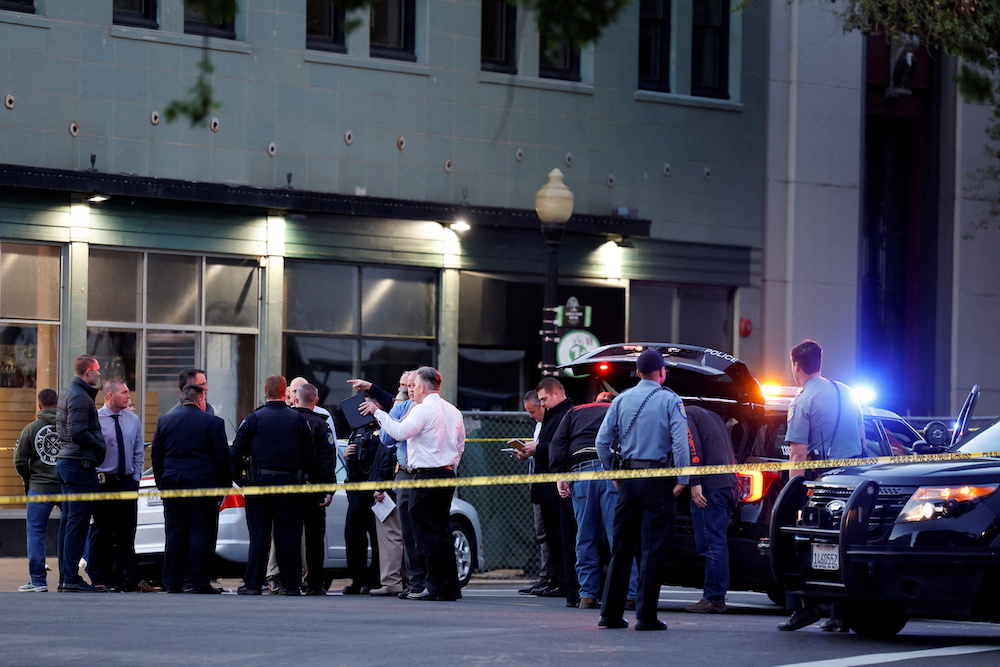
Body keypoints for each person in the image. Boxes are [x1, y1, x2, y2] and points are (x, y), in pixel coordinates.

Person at [595, 348, 690, 630]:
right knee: (652, 549)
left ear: (637, 373)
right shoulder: (670, 400)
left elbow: (602, 442)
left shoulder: (621, 399)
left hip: (628, 479)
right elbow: (680, 443)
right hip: (657, 479)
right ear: (662, 372)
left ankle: (609, 614)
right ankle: (645, 616)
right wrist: (683, 478)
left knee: (622, 548)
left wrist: (613, 474)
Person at [778, 340, 864, 632]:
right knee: (841, 543)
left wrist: (794, 494)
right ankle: (840, 613)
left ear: (796, 365)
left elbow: (798, 453)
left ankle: (804, 608)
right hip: (854, 478)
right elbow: (863, 438)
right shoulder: (847, 392)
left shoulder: (803, 400)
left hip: (823, 479)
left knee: (803, 541)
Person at [361, 366, 465, 601]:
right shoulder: (453, 411)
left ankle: (433, 586)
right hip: (447, 475)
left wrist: (378, 413)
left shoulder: (422, 409)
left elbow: (398, 432)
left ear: (423, 387)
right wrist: (450, 466)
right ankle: (450, 586)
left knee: (424, 534)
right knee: (442, 532)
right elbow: (460, 445)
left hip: (425, 476)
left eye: (413, 386)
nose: (411, 391)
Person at [549, 391, 638, 610]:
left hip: (581, 475)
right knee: (618, 537)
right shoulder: (619, 410)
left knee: (585, 536)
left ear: (595, 401)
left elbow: (557, 445)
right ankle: (630, 593)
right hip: (611, 475)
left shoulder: (574, 411)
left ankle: (587, 595)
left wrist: (561, 476)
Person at [231, 375, 315, 596]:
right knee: (289, 536)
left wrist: (243, 481)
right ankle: (291, 584)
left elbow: (235, 453)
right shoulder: (297, 420)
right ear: (285, 393)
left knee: (259, 536)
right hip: (289, 486)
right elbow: (310, 455)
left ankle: (252, 584)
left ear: (265, 392)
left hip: (259, 485)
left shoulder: (253, 419)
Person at [151, 383, 230, 594]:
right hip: (203, 487)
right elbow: (221, 458)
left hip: (173, 486)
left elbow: (157, 455)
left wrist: (162, 482)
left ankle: (172, 582)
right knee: (202, 534)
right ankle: (200, 582)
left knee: (175, 534)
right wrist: (223, 487)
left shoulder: (165, 421)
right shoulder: (213, 423)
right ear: (200, 399)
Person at [349, 372, 420, 599]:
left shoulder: (405, 411)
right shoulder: (400, 411)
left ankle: (399, 581)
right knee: (393, 535)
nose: (403, 389)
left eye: (408, 385)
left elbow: (388, 454)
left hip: (395, 483)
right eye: (401, 384)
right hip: (380, 484)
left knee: (397, 535)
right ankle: (403, 581)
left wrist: (381, 485)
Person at [87, 379, 149, 592]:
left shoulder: (133, 420)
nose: (128, 396)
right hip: (104, 482)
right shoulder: (95, 419)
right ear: (110, 396)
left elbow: (138, 450)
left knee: (127, 531)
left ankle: (128, 577)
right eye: (124, 393)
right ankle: (100, 577)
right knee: (102, 531)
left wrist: (136, 477)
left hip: (127, 482)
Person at [55, 354, 108, 593]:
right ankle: (71, 578)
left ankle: (66, 576)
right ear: (87, 371)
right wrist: (99, 444)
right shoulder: (79, 396)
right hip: (79, 465)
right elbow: (77, 432)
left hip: (70, 462)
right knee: (76, 524)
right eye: (97, 370)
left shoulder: (70, 392)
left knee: (68, 523)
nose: (99, 373)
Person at [683, 405, 738, 614]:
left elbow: (692, 446)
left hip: (710, 487)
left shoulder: (684, 413)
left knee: (711, 544)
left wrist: (694, 481)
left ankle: (714, 598)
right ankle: (715, 595)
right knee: (719, 542)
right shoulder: (713, 415)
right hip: (728, 484)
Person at [526, 377, 576, 604]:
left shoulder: (567, 414)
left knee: (559, 535)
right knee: (553, 537)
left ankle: (563, 581)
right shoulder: (555, 415)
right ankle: (555, 580)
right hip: (547, 484)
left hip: (555, 485)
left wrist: (538, 448)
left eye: (544, 399)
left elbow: (561, 448)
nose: (542, 404)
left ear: (556, 393)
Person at [13, 388, 62, 592]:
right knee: (70, 530)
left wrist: (30, 477)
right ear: (57, 405)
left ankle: (38, 581)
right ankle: (68, 578)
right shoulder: (67, 428)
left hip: (39, 488)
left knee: (36, 533)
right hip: (65, 487)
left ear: (39, 405)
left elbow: (19, 461)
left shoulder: (30, 429)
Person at [291, 381, 337, 595]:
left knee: (289, 535)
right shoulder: (321, 425)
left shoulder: (287, 421)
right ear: (316, 401)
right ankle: (315, 583)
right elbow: (328, 460)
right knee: (314, 538)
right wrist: (329, 489)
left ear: (295, 398)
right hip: (313, 490)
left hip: (289, 489)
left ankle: (289, 581)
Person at [515, 390, 554, 596]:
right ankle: (545, 576)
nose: (531, 416)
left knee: (545, 533)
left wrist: (534, 451)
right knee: (541, 533)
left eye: (532, 411)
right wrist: (526, 455)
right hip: (537, 481)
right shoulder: (540, 425)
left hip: (547, 483)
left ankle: (547, 576)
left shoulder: (550, 423)